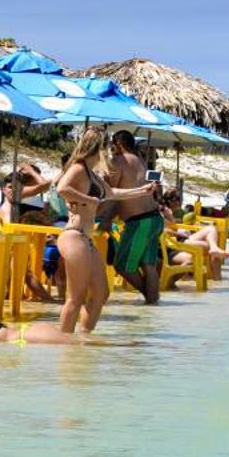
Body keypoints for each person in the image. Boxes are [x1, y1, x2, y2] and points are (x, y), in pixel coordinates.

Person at [53, 127, 153, 333]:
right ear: (99, 147)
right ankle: (63, 344)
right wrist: (89, 199)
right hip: (74, 235)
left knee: (101, 294)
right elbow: (62, 188)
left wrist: (142, 190)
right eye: (107, 147)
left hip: (86, 239)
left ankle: (83, 340)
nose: (109, 152)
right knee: (76, 297)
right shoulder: (79, 168)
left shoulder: (92, 174)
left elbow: (112, 193)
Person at [106, 131, 166, 304]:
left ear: (118, 144)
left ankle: (148, 297)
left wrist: (106, 218)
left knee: (122, 265)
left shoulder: (119, 161)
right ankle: (152, 306)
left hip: (140, 222)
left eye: (112, 144)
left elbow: (111, 192)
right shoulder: (140, 159)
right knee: (148, 265)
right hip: (155, 219)